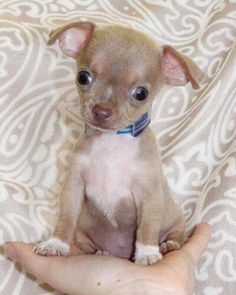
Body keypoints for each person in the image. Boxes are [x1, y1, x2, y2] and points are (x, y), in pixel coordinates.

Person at [4, 224, 210, 295]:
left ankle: (19, 252)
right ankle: (20, 252)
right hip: (115, 278)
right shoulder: (178, 267)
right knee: (58, 269)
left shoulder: (178, 269)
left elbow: (192, 250)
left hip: (117, 280)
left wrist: (204, 232)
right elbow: (190, 253)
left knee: (63, 267)